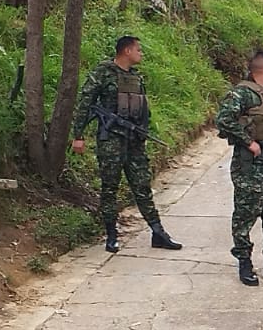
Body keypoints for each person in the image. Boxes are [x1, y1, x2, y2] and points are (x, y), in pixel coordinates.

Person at [72, 35, 182, 254]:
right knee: (110, 187)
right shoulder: (103, 72)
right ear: (127, 51)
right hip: (111, 139)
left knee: (142, 186)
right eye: (138, 50)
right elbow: (86, 102)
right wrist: (78, 134)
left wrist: (143, 131)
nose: (141, 53)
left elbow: (143, 109)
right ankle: (111, 235)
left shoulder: (136, 78)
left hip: (133, 141)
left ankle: (158, 232)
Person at [215, 50, 263, 287]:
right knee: (245, 214)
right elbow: (223, 120)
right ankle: (244, 262)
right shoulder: (242, 93)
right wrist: (248, 142)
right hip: (250, 167)